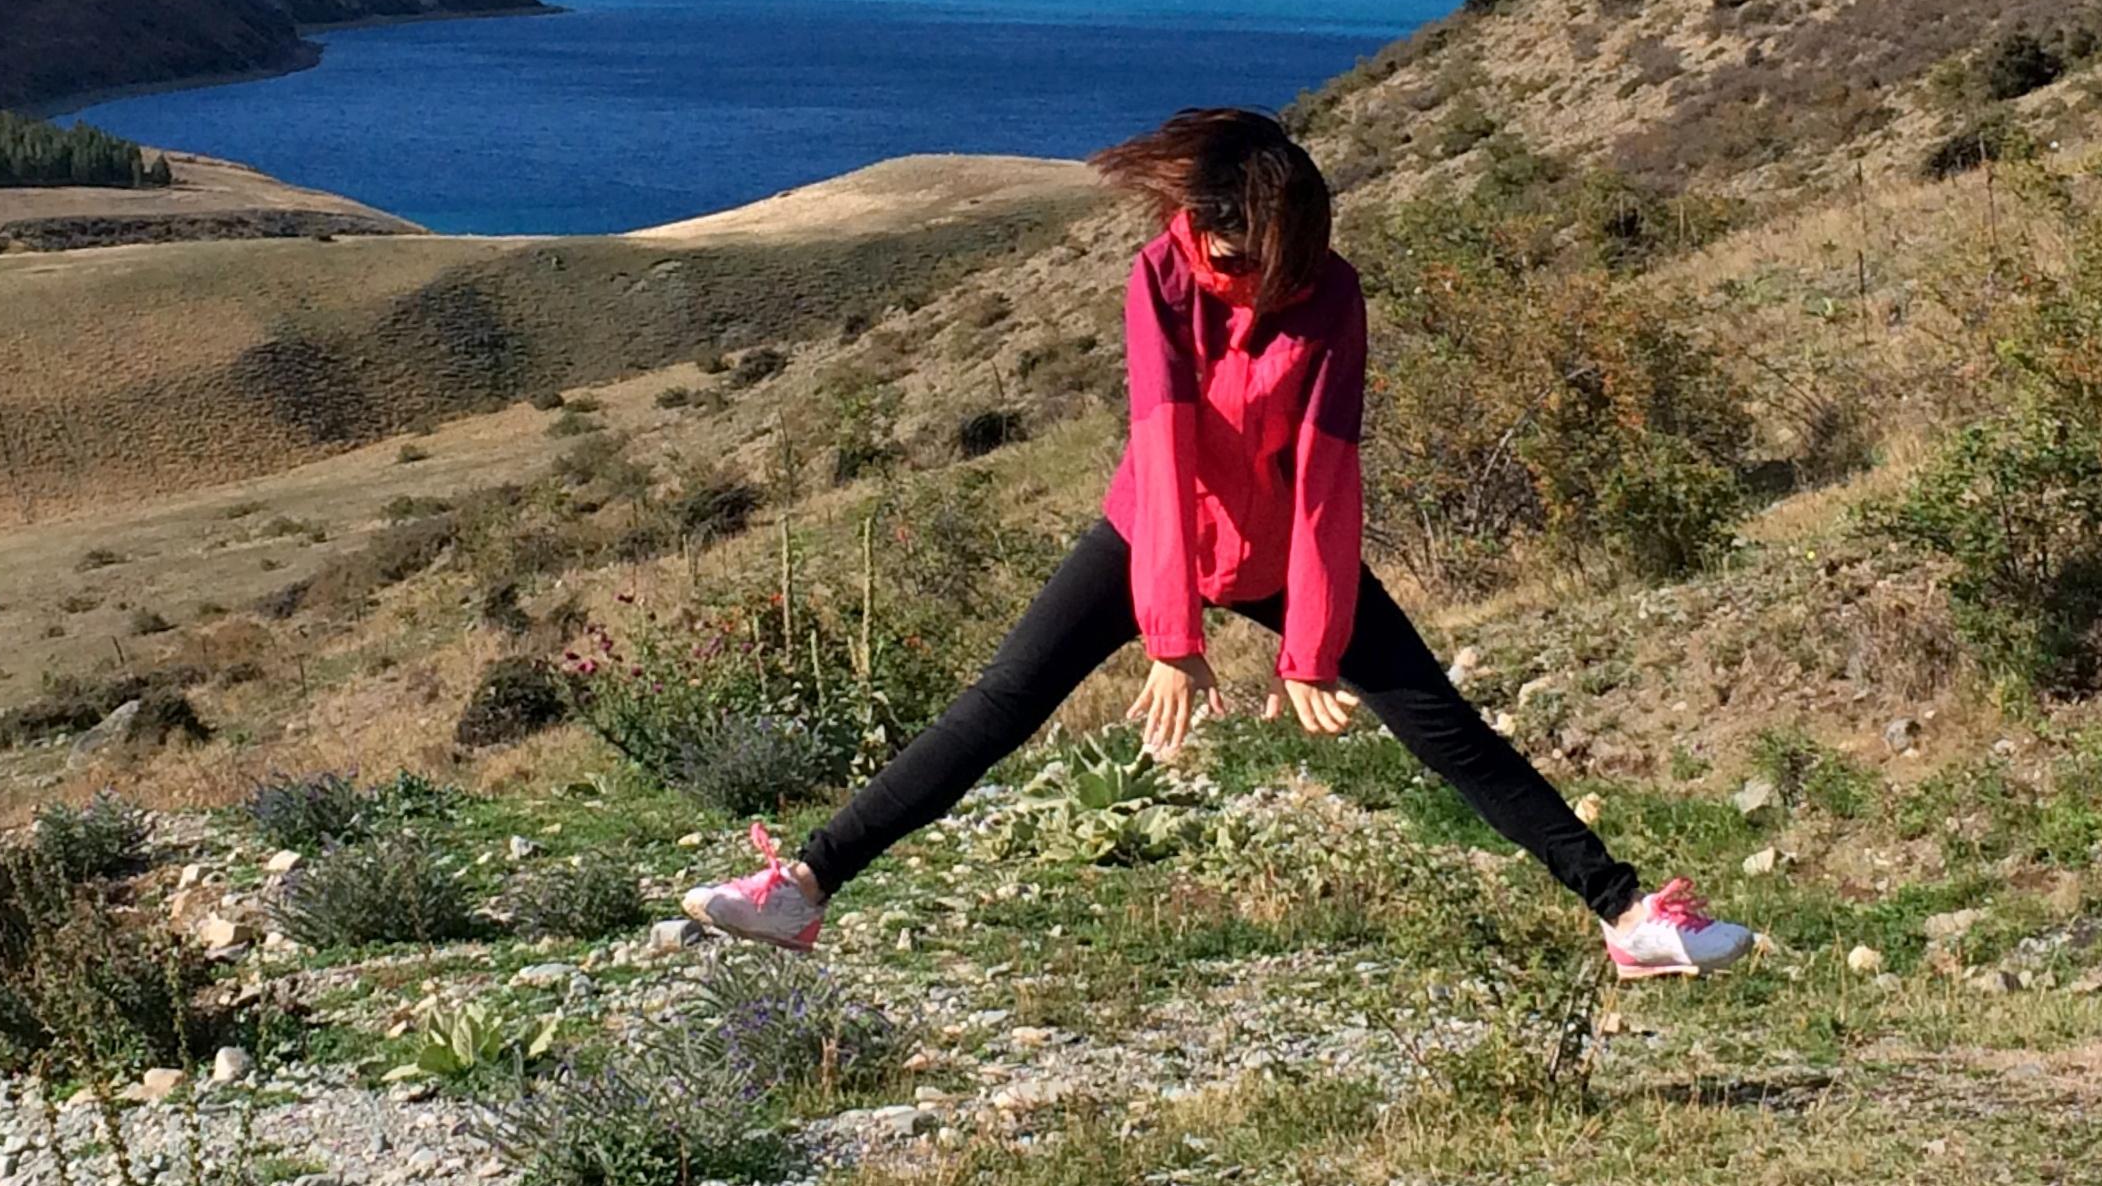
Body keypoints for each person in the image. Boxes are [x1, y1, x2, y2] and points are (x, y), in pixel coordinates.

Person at [685, 106, 1751, 982]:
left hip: (1287, 544)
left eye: (1261, 252)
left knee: (1445, 727)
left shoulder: (1332, 295)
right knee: (998, 706)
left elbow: (1330, 471)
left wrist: (1312, 649)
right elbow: (1166, 445)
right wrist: (1170, 630)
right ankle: (804, 891)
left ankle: (1628, 915)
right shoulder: (1160, 275)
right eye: (1224, 244)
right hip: (1154, 524)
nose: (1239, 266)